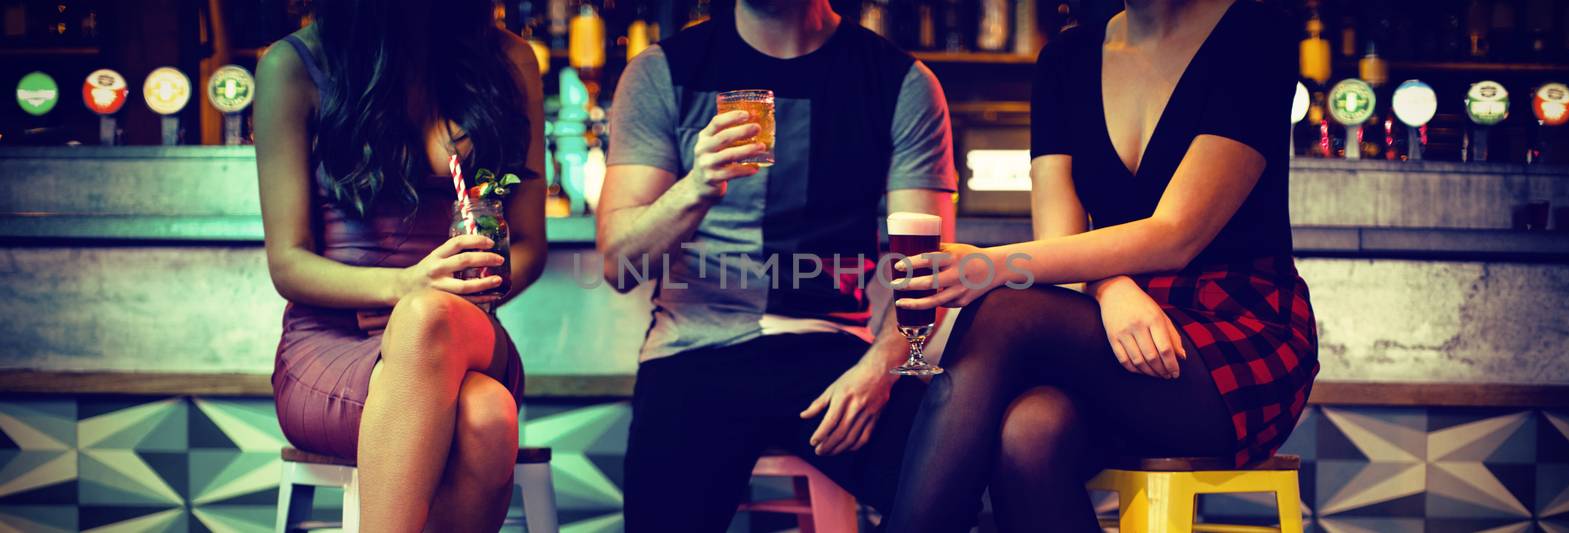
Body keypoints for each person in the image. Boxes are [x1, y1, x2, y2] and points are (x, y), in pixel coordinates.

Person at [885, 1, 1317, 531]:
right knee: (1028, 432)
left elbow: (1178, 233)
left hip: (1236, 333)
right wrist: (1110, 290)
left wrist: (990, 264)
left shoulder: (1255, 32)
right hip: (1110, 332)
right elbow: (1059, 240)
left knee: (1004, 309)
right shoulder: (1066, 58)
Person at [596, 0, 957, 530]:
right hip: (695, 350)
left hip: (833, 350)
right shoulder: (663, 70)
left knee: (953, 487)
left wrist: (879, 371)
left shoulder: (900, 81)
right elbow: (619, 267)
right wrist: (697, 187)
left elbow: (928, 268)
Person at [254, 0, 547, 530]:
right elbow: (288, 264)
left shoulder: (508, 60)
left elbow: (528, 245)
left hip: (469, 337)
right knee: (486, 415)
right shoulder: (293, 65)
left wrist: (480, 285)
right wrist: (410, 286)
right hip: (332, 346)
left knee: (429, 319)